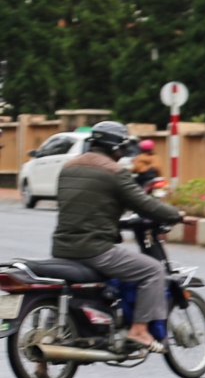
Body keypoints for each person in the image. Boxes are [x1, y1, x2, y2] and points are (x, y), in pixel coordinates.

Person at [50, 121, 183, 352]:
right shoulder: (114, 172)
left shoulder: (68, 167)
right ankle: (139, 330)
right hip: (95, 250)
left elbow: (81, 205)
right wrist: (175, 215)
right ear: (116, 148)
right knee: (153, 270)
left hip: (62, 248)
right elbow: (144, 204)